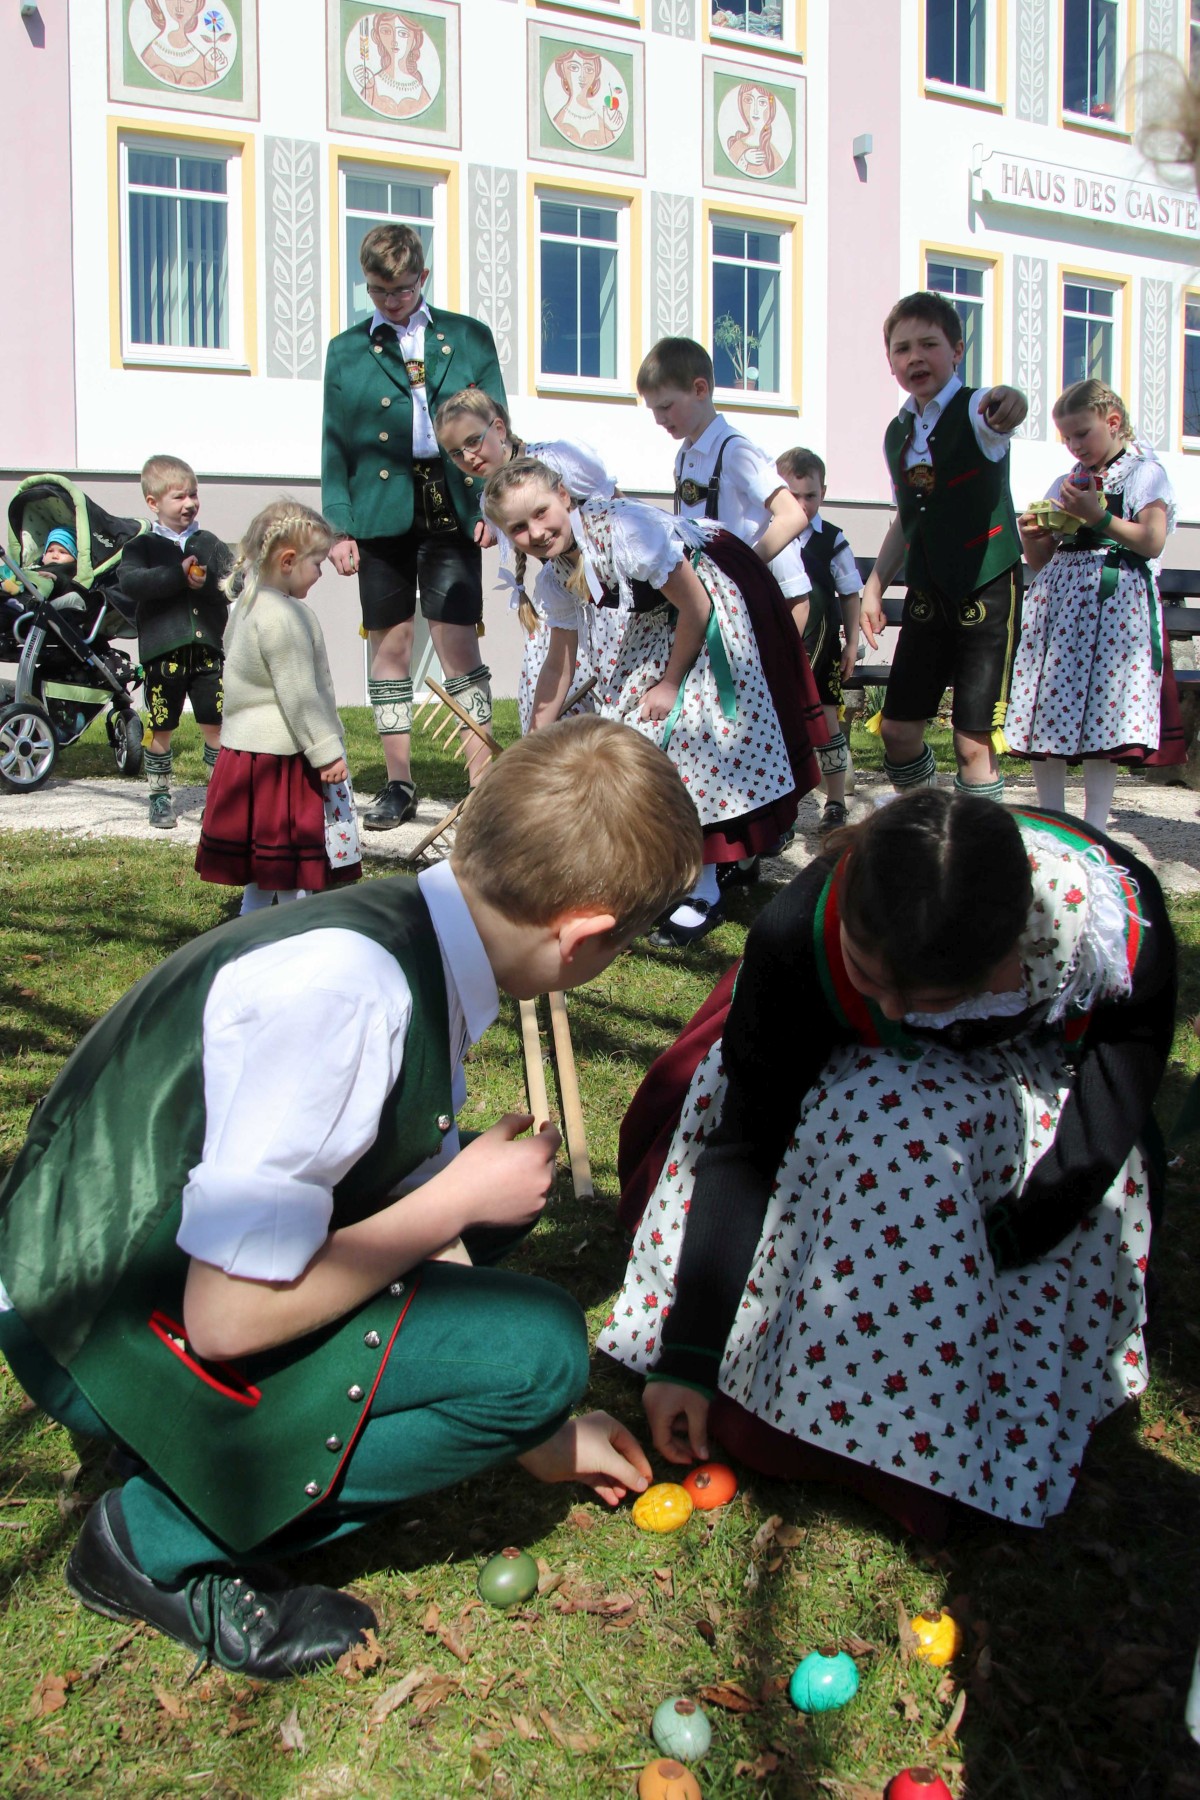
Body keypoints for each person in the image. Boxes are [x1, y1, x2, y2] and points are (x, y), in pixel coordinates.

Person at [0, 715, 700, 1680]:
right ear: (583, 937)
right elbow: (226, 1319)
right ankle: (154, 1539)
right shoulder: (350, 994)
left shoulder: (416, 930)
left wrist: (530, 1435)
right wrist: (454, 1212)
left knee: (497, 1197)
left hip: (136, 1273)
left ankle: (189, 1442)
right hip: (92, 1326)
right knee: (538, 1351)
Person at [606, 788, 1175, 1539]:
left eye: (936, 997)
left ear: (1013, 955)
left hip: (1026, 1086)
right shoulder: (797, 935)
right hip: (827, 1064)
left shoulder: (1115, 929)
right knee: (886, 1124)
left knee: (939, 1144)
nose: (898, 1015)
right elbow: (747, 1143)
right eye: (871, 978)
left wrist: (1025, 1228)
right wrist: (690, 1351)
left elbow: (1111, 1106)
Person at [483, 457, 822, 947]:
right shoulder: (556, 576)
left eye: (540, 513)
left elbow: (698, 606)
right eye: (518, 527)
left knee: (690, 730)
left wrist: (670, 683)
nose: (535, 532)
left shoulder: (627, 534)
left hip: (715, 592)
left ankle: (703, 887)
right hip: (666, 613)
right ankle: (733, 861)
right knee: (630, 730)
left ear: (564, 496)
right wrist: (532, 741)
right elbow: (559, 662)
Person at [322, 223, 505, 829]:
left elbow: (496, 427)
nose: (391, 301)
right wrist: (339, 528)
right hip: (379, 511)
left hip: (453, 502)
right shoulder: (347, 350)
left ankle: (482, 784)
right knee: (390, 645)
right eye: (378, 291)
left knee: (457, 643)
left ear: (422, 277)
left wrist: (492, 505)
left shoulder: (468, 336)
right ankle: (398, 783)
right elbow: (334, 444)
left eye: (401, 289)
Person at [859, 292, 1028, 803]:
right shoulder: (897, 433)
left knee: (972, 744)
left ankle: (978, 844)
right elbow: (907, 519)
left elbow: (1004, 408)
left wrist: (1010, 401)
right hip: (929, 589)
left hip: (987, 585)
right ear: (889, 361)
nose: (915, 357)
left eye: (928, 344)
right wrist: (874, 586)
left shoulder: (977, 409)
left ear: (956, 350)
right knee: (897, 731)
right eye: (902, 348)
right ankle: (929, 823)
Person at [1005, 379, 1184, 831]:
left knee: (1102, 715)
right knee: (1049, 707)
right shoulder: (1067, 482)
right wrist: (1032, 535)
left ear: (1114, 422)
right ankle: (1051, 819)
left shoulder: (1145, 474)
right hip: (1061, 610)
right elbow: (1043, 561)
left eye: (1082, 433)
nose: (1074, 445)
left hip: (1114, 608)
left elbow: (1152, 540)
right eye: (1067, 437)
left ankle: (1095, 828)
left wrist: (1098, 516)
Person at [195, 500, 360, 914]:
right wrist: (325, 751)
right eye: (316, 563)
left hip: (245, 755)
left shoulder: (247, 605)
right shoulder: (285, 617)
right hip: (282, 758)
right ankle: (294, 927)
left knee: (262, 863)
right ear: (287, 561)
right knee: (290, 864)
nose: (320, 573)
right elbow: (299, 694)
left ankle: (249, 924)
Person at [434, 387, 623, 731]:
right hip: (566, 597)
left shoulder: (555, 460)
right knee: (543, 688)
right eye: (456, 453)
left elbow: (619, 511)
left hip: (611, 591)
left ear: (499, 429)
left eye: (473, 441)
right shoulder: (489, 500)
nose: (469, 457)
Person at [118, 454, 232, 831]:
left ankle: (218, 798)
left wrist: (210, 581)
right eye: (179, 497)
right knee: (161, 726)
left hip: (207, 653)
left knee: (215, 724)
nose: (189, 503)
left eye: (193, 494)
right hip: (163, 654)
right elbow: (131, 582)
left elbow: (234, 583)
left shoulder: (209, 543)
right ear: (153, 502)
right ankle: (159, 796)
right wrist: (175, 575)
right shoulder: (142, 547)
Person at [778, 446, 864, 831]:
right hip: (780, 645)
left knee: (827, 724)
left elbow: (849, 592)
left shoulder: (832, 540)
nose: (802, 504)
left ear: (823, 493)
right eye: (793, 495)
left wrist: (852, 644)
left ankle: (835, 800)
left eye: (810, 495)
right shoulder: (769, 536)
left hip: (822, 644)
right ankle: (780, 808)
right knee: (780, 724)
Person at [724, 82, 782, 177]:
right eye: (749, 100)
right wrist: (744, 158)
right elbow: (728, 174)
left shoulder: (772, 151)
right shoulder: (737, 145)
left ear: (771, 108)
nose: (755, 110)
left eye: (762, 102)